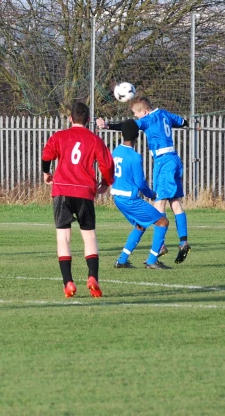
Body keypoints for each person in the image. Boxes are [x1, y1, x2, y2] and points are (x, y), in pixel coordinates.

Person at [96, 96, 191, 264]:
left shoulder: (148, 119)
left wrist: (107, 126)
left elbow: (128, 127)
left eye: (136, 113)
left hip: (163, 162)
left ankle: (160, 246)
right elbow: (182, 121)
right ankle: (183, 240)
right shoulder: (165, 114)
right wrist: (187, 123)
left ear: (144, 111)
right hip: (175, 159)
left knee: (159, 202)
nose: (136, 117)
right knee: (175, 201)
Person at [41, 102, 114, 298]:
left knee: (63, 237)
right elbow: (106, 164)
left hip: (62, 190)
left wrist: (46, 173)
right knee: (89, 236)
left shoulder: (59, 136)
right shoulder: (95, 140)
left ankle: (68, 282)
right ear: (89, 120)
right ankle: (92, 276)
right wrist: (106, 182)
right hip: (84, 192)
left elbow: (46, 155)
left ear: (70, 119)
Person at [110, 120, 171, 269]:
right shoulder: (135, 157)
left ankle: (122, 260)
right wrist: (151, 194)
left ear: (122, 134)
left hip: (117, 198)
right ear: (137, 136)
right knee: (163, 222)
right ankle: (152, 261)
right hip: (130, 199)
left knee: (140, 225)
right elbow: (140, 183)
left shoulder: (116, 151)